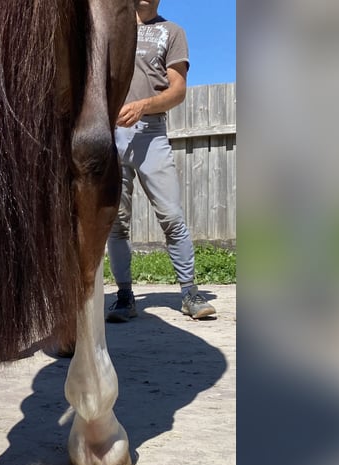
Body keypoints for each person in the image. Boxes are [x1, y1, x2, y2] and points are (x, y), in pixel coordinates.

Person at [106, 0, 216, 322]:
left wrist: (143, 106)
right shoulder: (113, 30)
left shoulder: (172, 32)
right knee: (116, 221)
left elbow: (178, 90)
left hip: (151, 134)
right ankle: (125, 296)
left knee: (171, 215)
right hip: (111, 134)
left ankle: (190, 294)